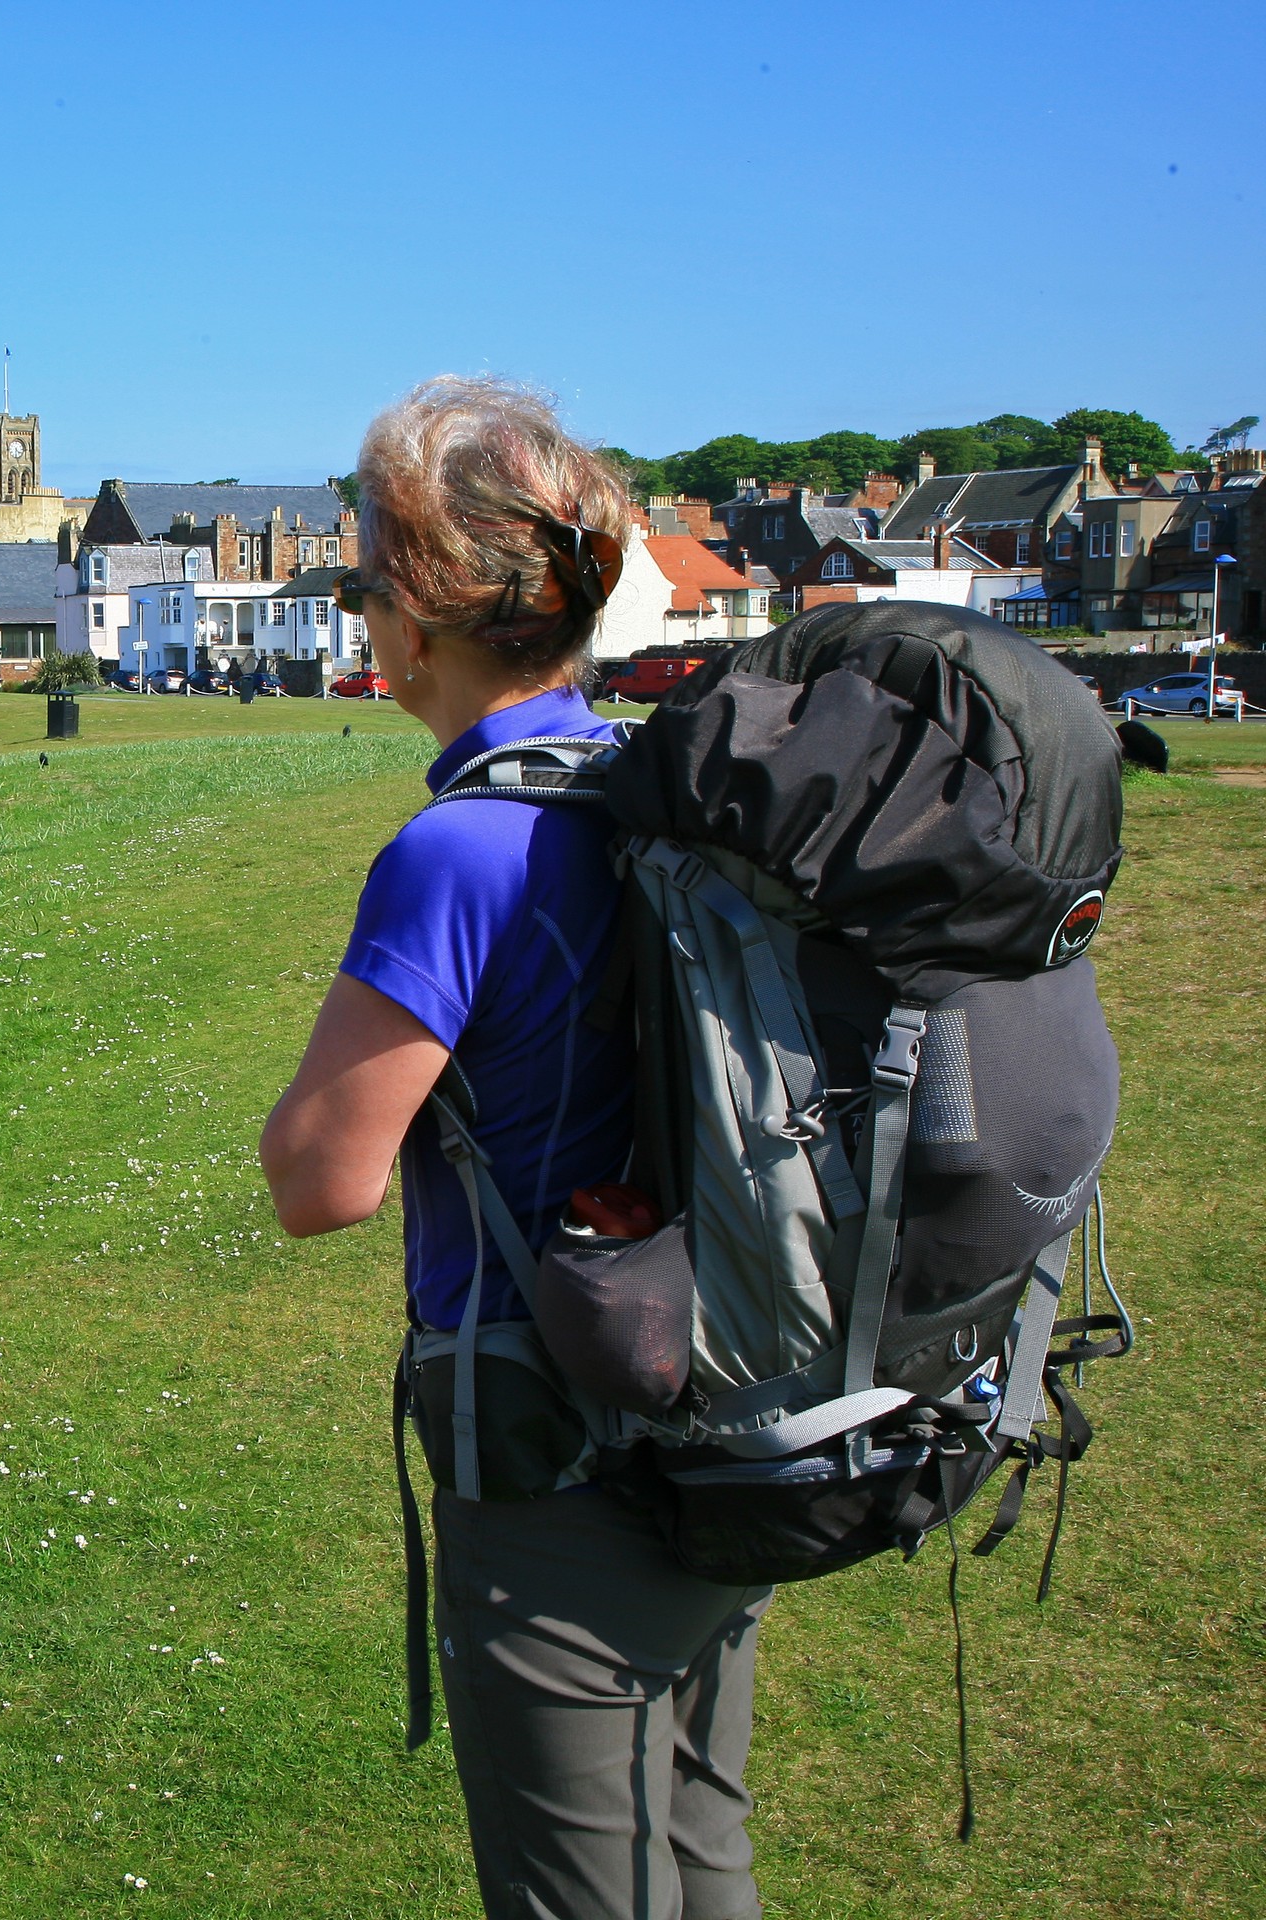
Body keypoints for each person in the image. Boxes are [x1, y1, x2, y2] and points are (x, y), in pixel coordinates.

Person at [260, 375, 769, 1920]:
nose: (356, 622)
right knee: (698, 1853)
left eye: (359, 586)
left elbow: (320, 1181)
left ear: (418, 621)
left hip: (552, 1460)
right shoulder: (658, 790)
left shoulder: (458, 849)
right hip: (722, 1398)